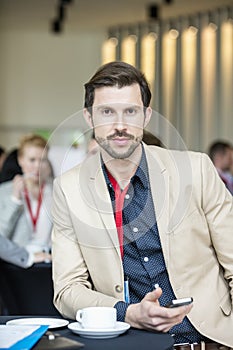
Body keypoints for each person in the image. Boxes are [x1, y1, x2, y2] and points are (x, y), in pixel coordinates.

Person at [52, 61, 233, 349]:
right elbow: (67, 290)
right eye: (107, 112)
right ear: (89, 117)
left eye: (131, 111)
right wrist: (128, 313)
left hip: (211, 341)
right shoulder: (68, 189)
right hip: (129, 343)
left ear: (147, 116)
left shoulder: (196, 169)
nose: (120, 125)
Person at [0, 134, 53, 253]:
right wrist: (14, 199)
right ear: (20, 160)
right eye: (32, 160)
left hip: (49, 260)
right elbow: (1, 236)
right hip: (16, 263)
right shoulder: (4, 191)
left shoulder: (56, 190)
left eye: (43, 160)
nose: (37, 166)